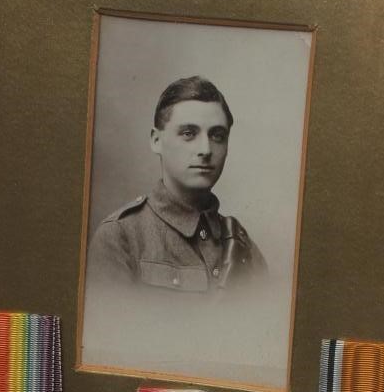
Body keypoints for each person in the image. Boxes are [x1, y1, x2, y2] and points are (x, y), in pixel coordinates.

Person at [86, 76, 267, 297]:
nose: (206, 149)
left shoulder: (243, 246)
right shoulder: (119, 237)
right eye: (189, 133)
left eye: (217, 135)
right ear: (156, 140)